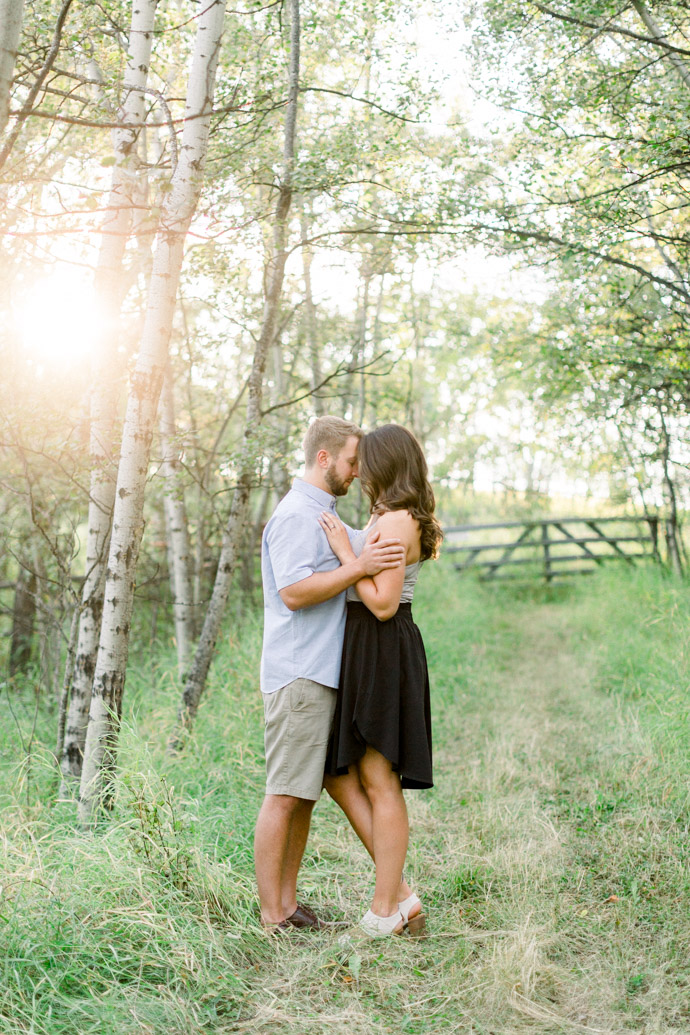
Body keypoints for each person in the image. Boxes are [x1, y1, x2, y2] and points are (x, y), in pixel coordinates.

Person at [254, 415, 406, 931]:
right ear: (324, 459)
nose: (356, 470)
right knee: (284, 794)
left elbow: (373, 546)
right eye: (349, 461)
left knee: (303, 795)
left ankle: (289, 903)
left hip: (321, 672)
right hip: (300, 673)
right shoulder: (298, 515)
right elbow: (294, 593)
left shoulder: (325, 513)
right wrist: (358, 568)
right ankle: (273, 915)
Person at [319, 423, 443, 938]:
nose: (360, 468)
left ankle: (383, 908)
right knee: (339, 772)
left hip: (382, 645)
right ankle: (401, 897)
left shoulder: (397, 521)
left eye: (367, 459)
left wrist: (348, 557)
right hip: (367, 648)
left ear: (386, 463)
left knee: (378, 778)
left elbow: (384, 604)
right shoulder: (388, 515)